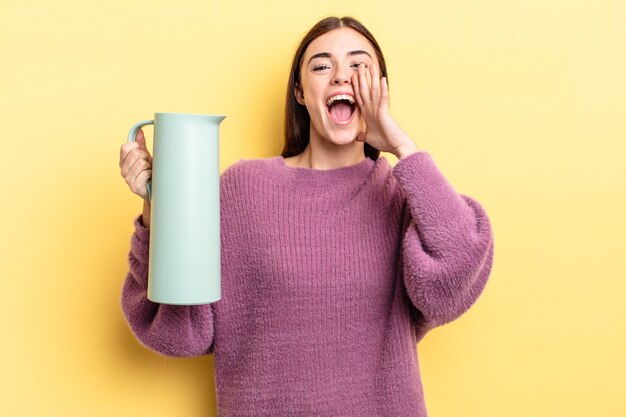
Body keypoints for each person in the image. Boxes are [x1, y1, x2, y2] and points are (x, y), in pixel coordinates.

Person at [118, 16, 494, 417]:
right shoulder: (242, 190)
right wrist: (156, 204)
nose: (341, 77)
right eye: (321, 65)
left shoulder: (403, 195)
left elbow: (454, 280)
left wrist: (402, 146)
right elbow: (177, 330)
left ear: (381, 89)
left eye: (358, 65)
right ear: (299, 92)